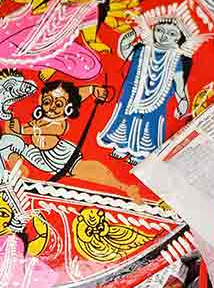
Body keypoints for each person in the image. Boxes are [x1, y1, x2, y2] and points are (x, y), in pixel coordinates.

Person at [97, 3, 204, 165]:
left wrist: (182, 101)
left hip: (157, 101)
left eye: (171, 34)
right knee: (125, 118)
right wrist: (133, 33)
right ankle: (121, 146)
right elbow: (124, 49)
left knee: (150, 125)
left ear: (179, 38)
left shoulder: (177, 60)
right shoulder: (140, 49)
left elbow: (179, 84)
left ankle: (140, 154)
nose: (163, 36)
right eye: (160, 30)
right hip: (131, 96)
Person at [0, 80, 139, 200]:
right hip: (38, 156)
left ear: (67, 107)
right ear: (41, 99)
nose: (52, 108)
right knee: (8, 141)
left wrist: (22, 130)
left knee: (94, 171)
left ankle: (123, 187)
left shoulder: (59, 123)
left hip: (60, 158)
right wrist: (91, 89)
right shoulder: (40, 117)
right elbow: (76, 93)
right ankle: (17, 169)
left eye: (59, 104)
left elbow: (40, 129)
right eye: (48, 102)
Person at [0, 0, 121, 81]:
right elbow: (34, 10)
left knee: (91, 66)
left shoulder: (90, 9)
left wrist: (96, 45)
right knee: (3, 49)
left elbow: (90, 38)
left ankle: (51, 64)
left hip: (58, 46)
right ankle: (48, 63)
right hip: (27, 35)